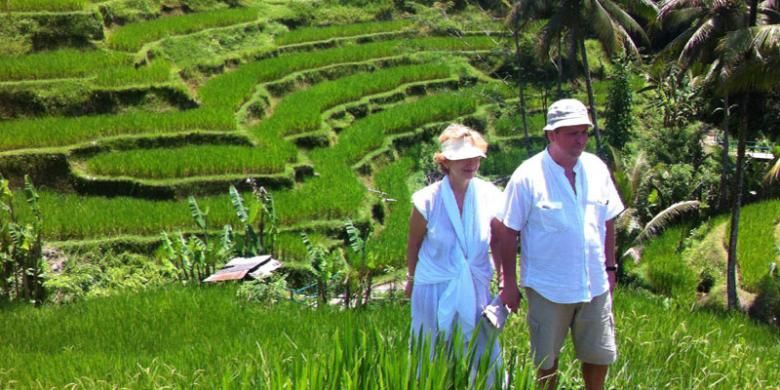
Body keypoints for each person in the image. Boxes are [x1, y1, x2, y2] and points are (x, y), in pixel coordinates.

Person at [497, 99, 624, 389]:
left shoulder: (596, 168)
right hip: (548, 287)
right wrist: (509, 283)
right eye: (572, 133)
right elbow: (507, 231)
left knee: (598, 355)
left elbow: (608, 220)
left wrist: (610, 266)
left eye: (584, 133)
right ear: (551, 135)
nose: (580, 140)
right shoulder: (528, 176)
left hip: (594, 283)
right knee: (546, 360)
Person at [405, 123, 504, 378]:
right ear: (446, 162)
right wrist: (411, 280)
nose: (470, 164)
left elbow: (499, 240)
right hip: (434, 287)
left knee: (481, 358)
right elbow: (414, 243)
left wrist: (504, 280)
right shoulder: (426, 200)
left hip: (475, 286)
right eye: (462, 159)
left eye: (475, 158)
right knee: (431, 356)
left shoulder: (490, 195)